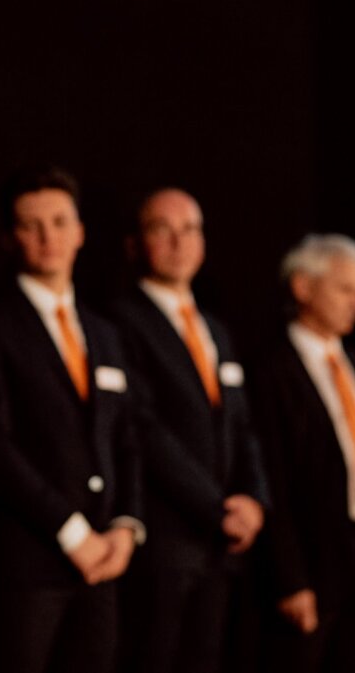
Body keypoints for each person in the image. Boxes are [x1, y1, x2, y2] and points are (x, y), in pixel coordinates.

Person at [0, 166, 144, 673]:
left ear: (81, 230)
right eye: (32, 224)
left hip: (104, 561)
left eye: (61, 221)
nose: (49, 237)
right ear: (8, 237)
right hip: (30, 565)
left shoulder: (105, 332)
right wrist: (71, 531)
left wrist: (126, 526)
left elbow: (126, 437)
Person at [108, 187, 269, 673]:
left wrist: (255, 500)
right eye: (164, 229)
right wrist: (216, 508)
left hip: (222, 545)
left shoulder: (215, 328)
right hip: (167, 541)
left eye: (191, 229)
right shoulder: (119, 320)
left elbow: (243, 426)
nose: (180, 242)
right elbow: (145, 429)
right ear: (136, 243)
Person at [253, 234, 355, 673]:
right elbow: (274, 481)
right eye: (345, 290)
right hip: (312, 564)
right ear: (303, 287)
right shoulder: (273, 372)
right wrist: (290, 579)